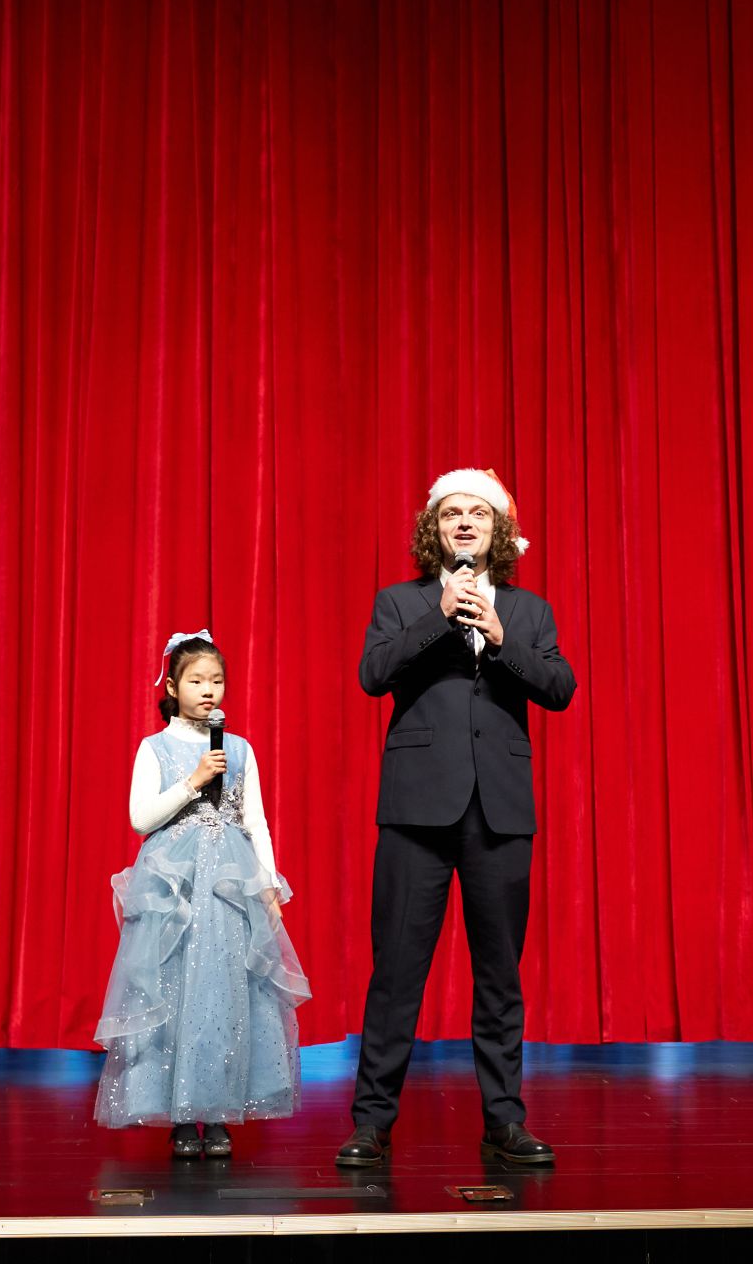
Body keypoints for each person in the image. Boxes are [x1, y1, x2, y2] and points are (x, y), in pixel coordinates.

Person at [337, 469, 576, 1168]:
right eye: (451, 513)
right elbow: (373, 674)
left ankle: (505, 1118)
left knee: (500, 975)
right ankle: (371, 1121)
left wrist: (500, 636)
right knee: (396, 973)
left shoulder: (529, 611)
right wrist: (439, 616)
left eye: (478, 512)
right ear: (433, 529)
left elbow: (559, 687)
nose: (464, 522)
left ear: (497, 530)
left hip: (499, 812)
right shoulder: (401, 601)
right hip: (416, 810)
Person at [94, 631, 310, 1158]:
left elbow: (255, 821)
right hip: (175, 886)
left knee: (226, 994)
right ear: (172, 687)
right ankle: (180, 1117)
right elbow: (140, 817)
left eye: (216, 681)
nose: (209, 690)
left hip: (229, 885)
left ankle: (218, 1113)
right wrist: (193, 780)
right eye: (196, 681)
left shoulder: (239, 748)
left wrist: (268, 883)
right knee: (174, 991)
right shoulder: (155, 747)